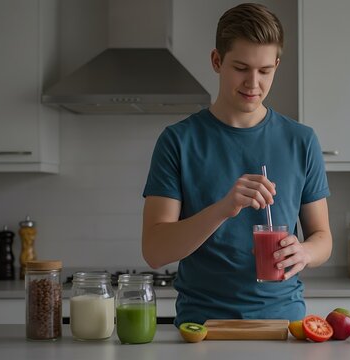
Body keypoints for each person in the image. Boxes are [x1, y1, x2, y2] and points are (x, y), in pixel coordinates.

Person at [141, 3, 332, 327]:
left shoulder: (301, 141)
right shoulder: (178, 142)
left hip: (283, 327)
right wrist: (224, 208)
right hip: (202, 329)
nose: (253, 83)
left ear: (276, 65)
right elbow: (155, 251)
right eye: (241, 68)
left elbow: (322, 237)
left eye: (265, 71)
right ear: (217, 61)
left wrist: (306, 253)